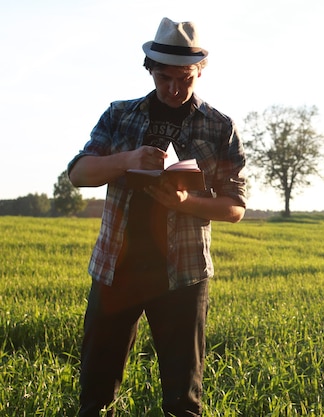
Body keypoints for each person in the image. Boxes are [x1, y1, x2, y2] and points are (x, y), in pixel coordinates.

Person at [68, 17, 246, 416]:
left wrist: (185, 203)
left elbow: (235, 207)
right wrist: (128, 159)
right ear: (150, 69)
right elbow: (79, 173)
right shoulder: (119, 115)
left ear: (200, 70)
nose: (174, 88)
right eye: (164, 77)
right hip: (116, 268)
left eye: (185, 78)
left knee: (183, 400)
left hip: (183, 273)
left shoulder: (219, 126)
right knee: (94, 395)